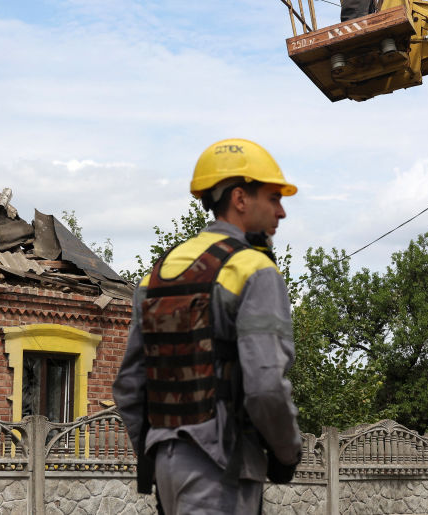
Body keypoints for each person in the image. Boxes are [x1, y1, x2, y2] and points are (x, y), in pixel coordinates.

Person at [112, 139, 303, 515]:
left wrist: (159, 447)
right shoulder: (254, 269)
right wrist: (286, 452)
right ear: (240, 198)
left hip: (167, 467)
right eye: (273, 197)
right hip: (223, 465)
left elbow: (129, 387)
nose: (281, 212)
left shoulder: (158, 274)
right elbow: (265, 386)